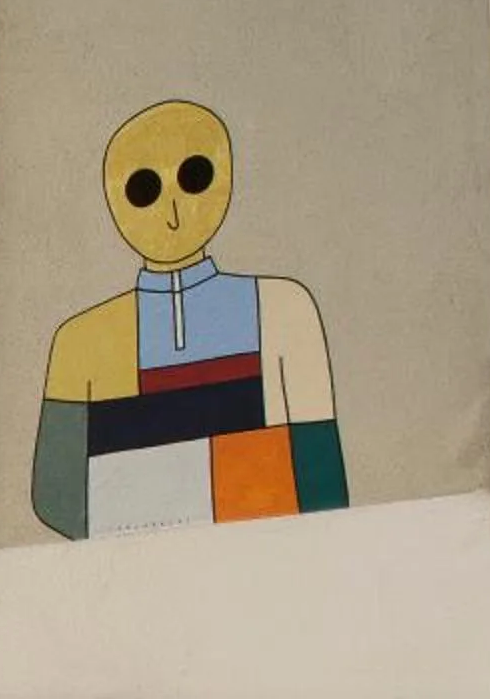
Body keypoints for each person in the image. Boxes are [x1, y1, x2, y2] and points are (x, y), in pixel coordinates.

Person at [30, 99, 347, 540]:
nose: (173, 209)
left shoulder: (282, 307)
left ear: (227, 180)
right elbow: (56, 498)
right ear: (113, 200)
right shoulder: (80, 342)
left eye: (194, 177)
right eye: (144, 189)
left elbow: (323, 481)